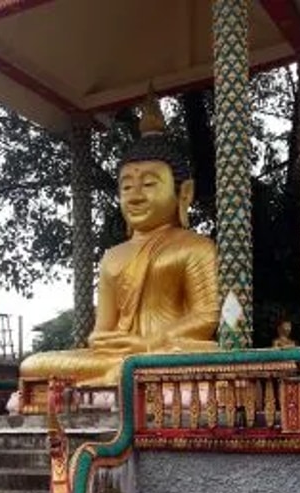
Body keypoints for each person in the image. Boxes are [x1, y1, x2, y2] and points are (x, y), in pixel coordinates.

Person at [19, 96, 219, 387]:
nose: (135, 196)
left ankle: (120, 378)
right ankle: (118, 378)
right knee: (33, 365)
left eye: (150, 184)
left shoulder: (195, 247)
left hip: (167, 352)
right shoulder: (113, 256)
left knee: (183, 359)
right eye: (126, 186)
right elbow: (102, 332)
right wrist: (101, 339)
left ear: (184, 193)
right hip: (118, 356)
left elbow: (206, 317)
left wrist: (149, 344)